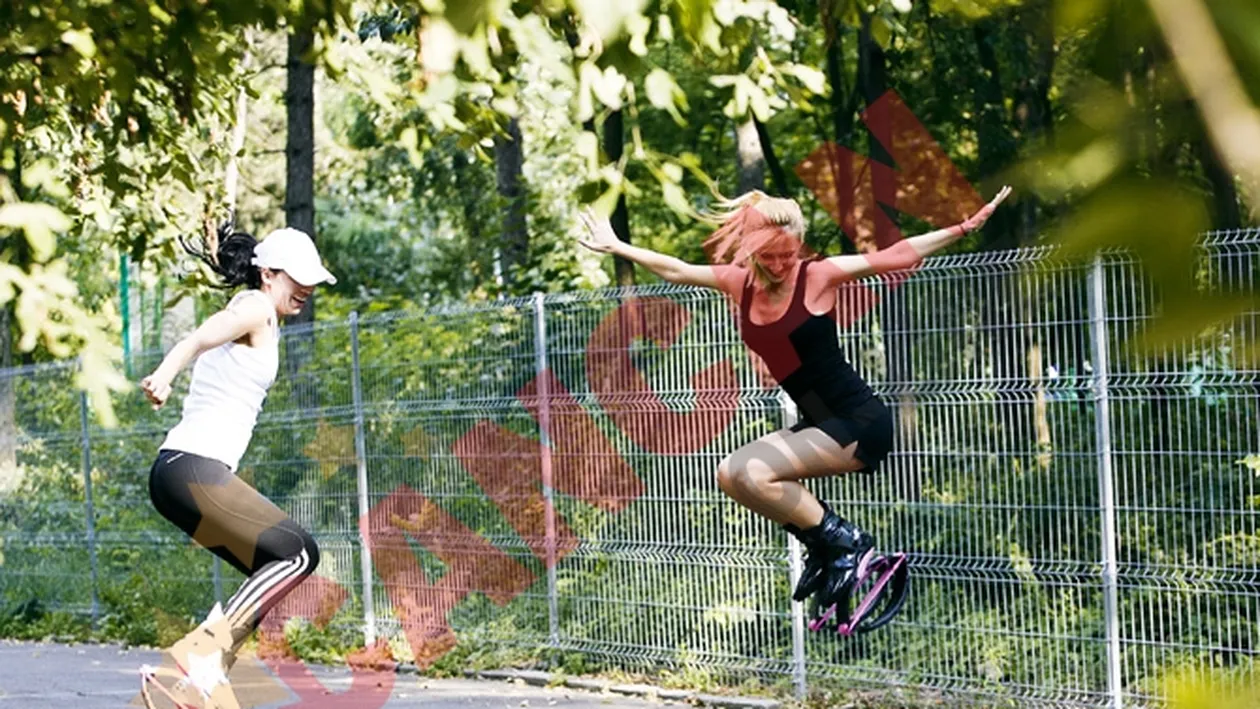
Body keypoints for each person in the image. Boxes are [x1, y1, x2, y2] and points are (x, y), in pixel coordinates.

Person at [577, 186, 1010, 627]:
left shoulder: (816, 275)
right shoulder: (740, 284)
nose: (780, 264)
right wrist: (618, 247)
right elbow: (678, 270)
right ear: (751, 250)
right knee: (729, 475)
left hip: (858, 420)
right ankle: (823, 544)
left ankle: (848, 542)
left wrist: (962, 228)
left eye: (788, 254)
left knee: (756, 473)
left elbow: (895, 255)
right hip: (818, 421)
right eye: (769, 256)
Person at [138, 223, 337, 708]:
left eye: (312, 281)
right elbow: (199, 338)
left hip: (181, 475)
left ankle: (195, 689)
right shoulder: (255, 307)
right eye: (297, 279)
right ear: (268, 274)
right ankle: (203, 660)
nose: (307, 289)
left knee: (269, 577)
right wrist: (164, 375)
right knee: (298, 554)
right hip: (192, 470)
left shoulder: (265, 314)